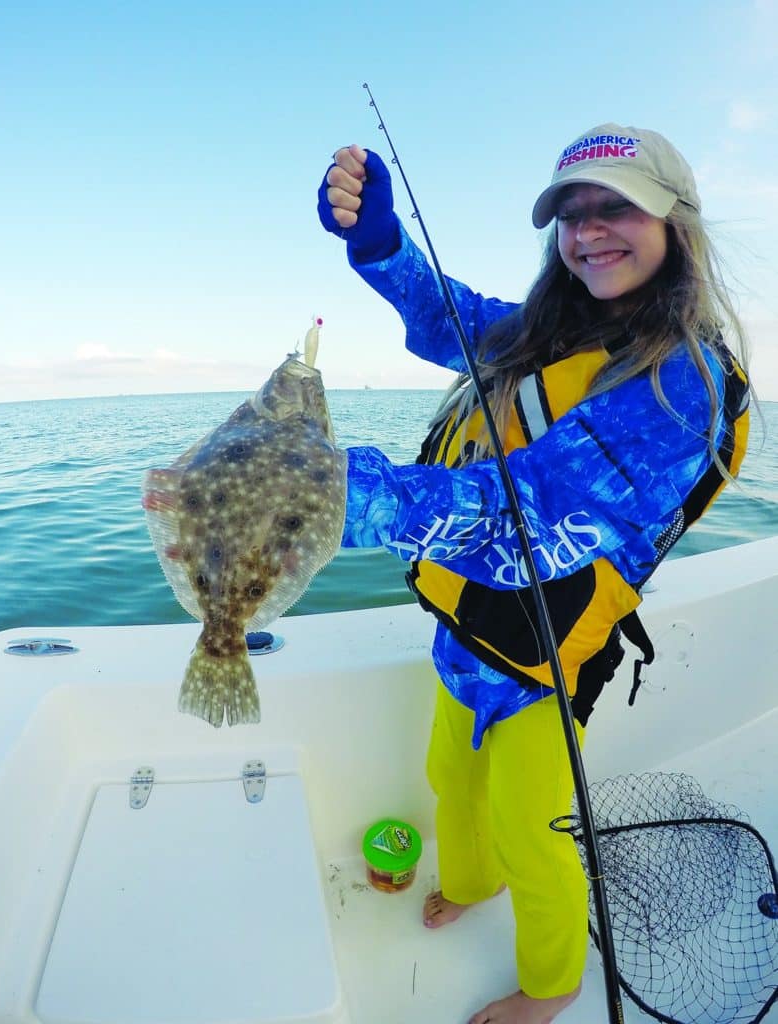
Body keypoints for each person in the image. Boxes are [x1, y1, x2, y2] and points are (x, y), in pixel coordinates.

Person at [316, 125, 751, 1024]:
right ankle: (468, 885)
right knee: (447, 775)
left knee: (531, 831)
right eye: (570, 215)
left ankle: (549, 987)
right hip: (466, 628)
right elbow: (452, 320)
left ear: (676, 221)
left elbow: (528, 524)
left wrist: (316, 492)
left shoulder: (686, 387)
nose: (588, 231)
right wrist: (379, 246)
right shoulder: (549, 333)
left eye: (615, 206)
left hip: (548, 657)